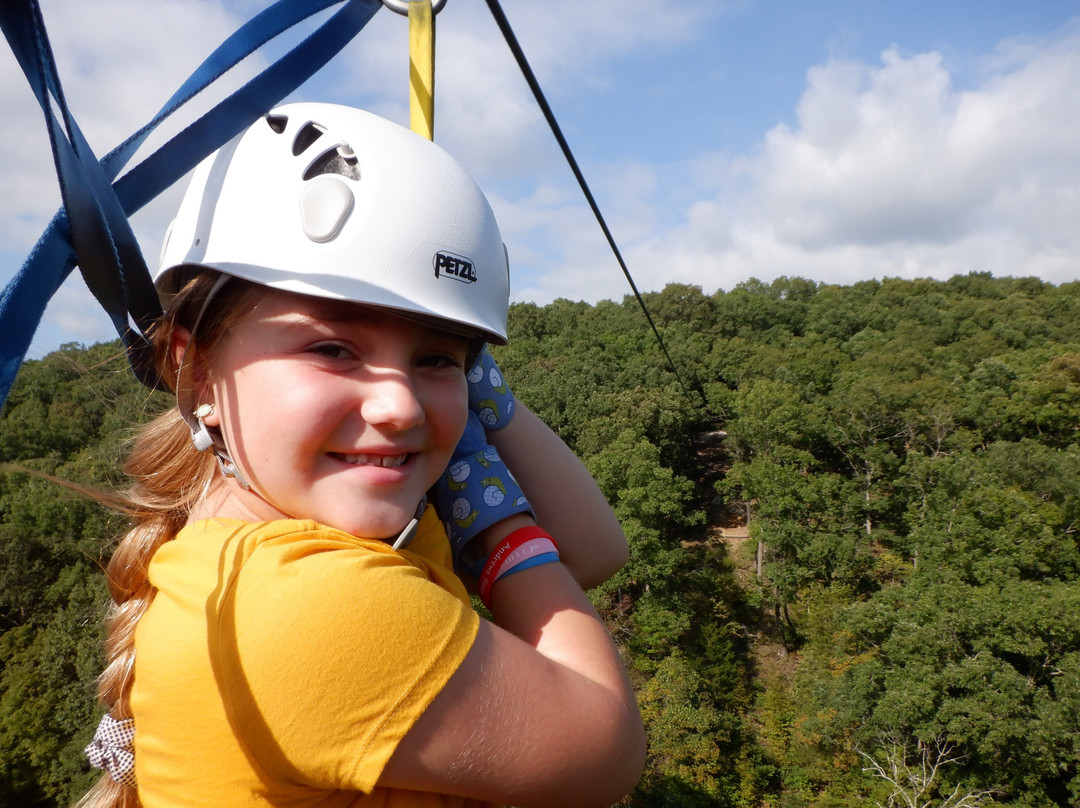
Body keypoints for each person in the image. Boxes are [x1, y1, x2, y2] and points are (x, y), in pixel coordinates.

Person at [75, 102, 645, 808]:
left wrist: (488, 410)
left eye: (438, 357)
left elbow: (593, 550)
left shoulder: (286, 534)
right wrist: (494, 515)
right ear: (198, 371)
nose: (400, 406)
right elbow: (605, 746)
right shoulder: (307, 605)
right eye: (333, 349)